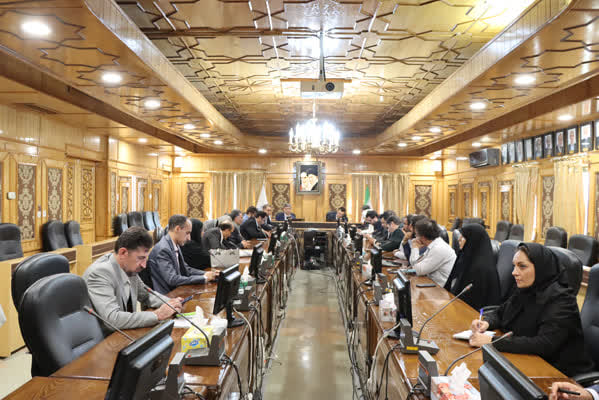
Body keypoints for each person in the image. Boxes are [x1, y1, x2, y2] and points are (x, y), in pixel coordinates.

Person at [469, 243, 594, 377]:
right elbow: (500, 312)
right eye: (514, 266)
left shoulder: (562, 300)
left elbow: (543, 344)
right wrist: (487, 322)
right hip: (526, 362)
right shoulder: (526, 290)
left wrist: (493, 342)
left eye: (522, 266)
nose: (514, 272)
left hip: (559, 374)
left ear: (541, 268)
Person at [83, 227, 183, 334]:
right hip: (107, 339)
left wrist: (171, 303)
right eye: (141, 258)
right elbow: (113, 319)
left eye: (145, 258)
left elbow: (146, 294)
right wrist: (157, 314)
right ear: (123, 253)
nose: (144, 265)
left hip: (126, 333)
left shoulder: (128, 267)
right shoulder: (100, 273)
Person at [147, 215, 218, 294]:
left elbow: (186, 269)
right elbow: (172, 279)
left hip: (177, 291)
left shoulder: (175, 244)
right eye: (187, 233)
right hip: (168, 295)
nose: (189, 238)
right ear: (177, 229)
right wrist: (204, 278)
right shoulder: (163, 249)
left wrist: (206, 274)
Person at [444, 224, 501, 310]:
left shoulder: (481, 269)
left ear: (473, 240)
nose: (459, 239)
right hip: (456, 305)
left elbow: (471, 302)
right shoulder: (465, 257)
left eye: (463, 237)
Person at [409, 218, 456, 287]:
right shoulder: (434, 244)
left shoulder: (439, 248)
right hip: (431, 283)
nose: (415, 238)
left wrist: (415, 248)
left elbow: (418, 270)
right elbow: (415, 264)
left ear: (423, 237)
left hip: (440, 289)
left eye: (416, 235)